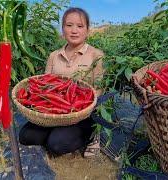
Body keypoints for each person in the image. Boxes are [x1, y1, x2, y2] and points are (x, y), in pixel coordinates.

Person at [19, 7, 104, 158]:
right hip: (55, 111)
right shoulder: (54, 56)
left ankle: (92, 136)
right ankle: (54, 131)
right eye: (69, 25)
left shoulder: (96, 55)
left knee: (56, 144)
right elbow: (45, 85)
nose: (74, 30)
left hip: (82, 113)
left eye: (80, 26)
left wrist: (81, 111)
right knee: (26, 136)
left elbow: (98, 90)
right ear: (63, 29)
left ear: (87, 30)